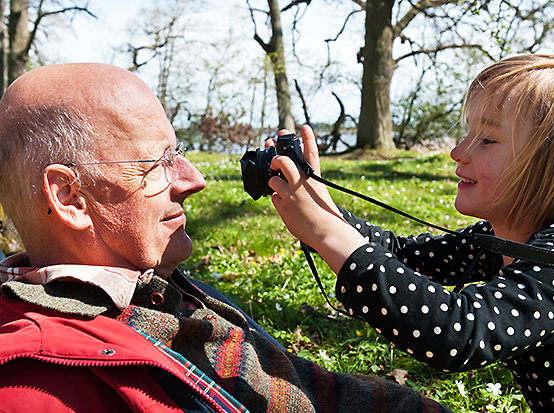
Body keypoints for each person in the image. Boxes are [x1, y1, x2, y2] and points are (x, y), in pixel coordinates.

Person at [0, 63, 452, 412]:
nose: (194, 179)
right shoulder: (41, 385)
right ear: (71, 198)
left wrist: (328, 221)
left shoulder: (151, 289)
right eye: (157, 163)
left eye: (177, 153)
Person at [269, 54, 554, 412]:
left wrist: (329, 234)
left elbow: (458, 332)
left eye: (487, 140)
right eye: (468, 133)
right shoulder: (499, 238)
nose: (458, 151)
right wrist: (319, 207)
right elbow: (403, 256)